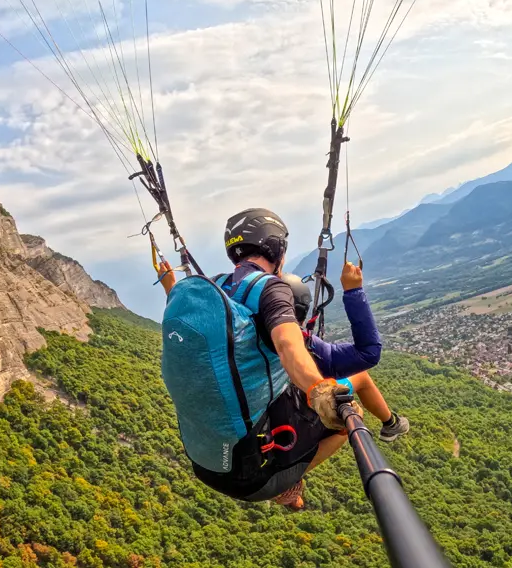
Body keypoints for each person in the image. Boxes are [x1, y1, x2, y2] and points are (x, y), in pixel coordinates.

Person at [159, 207, 409, 509]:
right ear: (275, 247)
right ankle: (290, 481)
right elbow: (290, 345)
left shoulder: (215, 289)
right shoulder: (271, 289)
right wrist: (320, 389)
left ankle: (293, 470)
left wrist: (170, 285)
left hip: (207, 465)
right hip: (253, 475)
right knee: (346, 417)